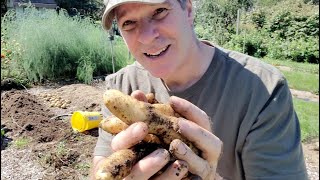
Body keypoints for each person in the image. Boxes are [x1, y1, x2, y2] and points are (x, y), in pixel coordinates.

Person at [91, 0, 308, 179]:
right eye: (128, 22)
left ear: (188, 9)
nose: (147, 36)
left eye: (159, 11)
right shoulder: (121, 87)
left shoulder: (262, 90)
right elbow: (99, 169)